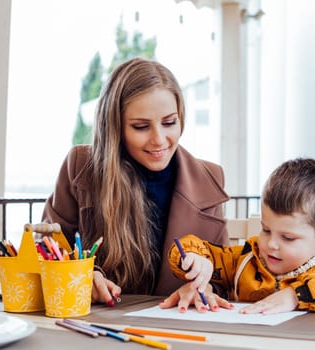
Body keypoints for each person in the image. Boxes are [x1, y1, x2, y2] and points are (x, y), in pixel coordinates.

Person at [40, 57, 230, 304]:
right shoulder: (80, 166)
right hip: (100, 328)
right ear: (115, 127)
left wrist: (205, 289)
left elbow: (224, 278)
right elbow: (46, 251)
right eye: (141, 127)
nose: (159, 139)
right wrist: (84, 278)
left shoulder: (210, 178)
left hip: (177, 327)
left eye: (170, 122)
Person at [162, 158, 315, 314]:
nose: (271, 244)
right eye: (266, 230)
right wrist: (195, 258)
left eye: (288, 238)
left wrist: (295, 296)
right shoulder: (246, 259)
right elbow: (193, 246)